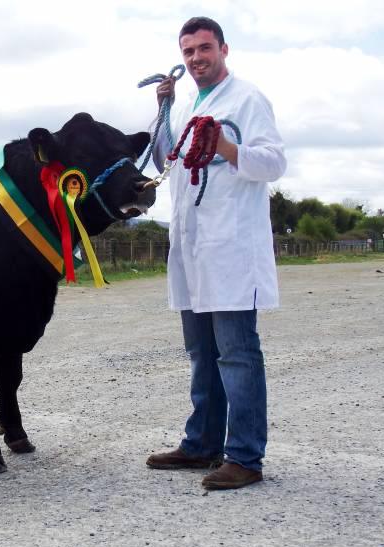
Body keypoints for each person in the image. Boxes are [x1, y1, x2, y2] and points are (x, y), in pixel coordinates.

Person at [146, 17, 287, 490]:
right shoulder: (186, 101)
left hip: (230, 248)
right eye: (188, 51)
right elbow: (169, 156)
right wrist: (163, 110)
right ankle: (202, 443)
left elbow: (274, 161)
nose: (195, 58)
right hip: (192, 249)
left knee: (237, 354)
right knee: (201, 353)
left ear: (223, 49)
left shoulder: (248, 99)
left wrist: (227, 145)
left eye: (204, 48)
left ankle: (245, 456)